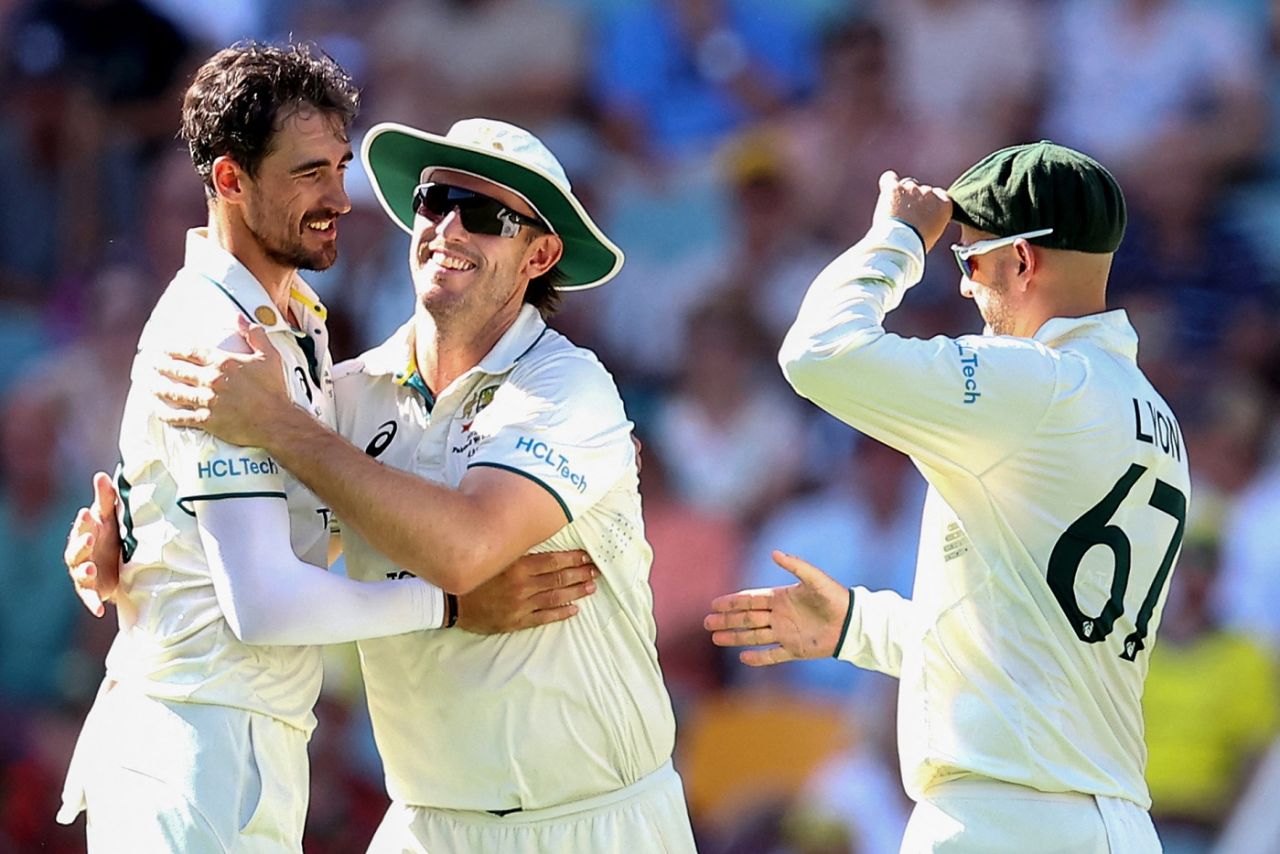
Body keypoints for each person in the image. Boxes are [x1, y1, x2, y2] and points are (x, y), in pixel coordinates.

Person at [57, 43, 596, 853]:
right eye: (309, 172)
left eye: (340, 166)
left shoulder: (297, 316)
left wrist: (135, 534)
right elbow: (265, 604)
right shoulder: (217, 337)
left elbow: (312, 497)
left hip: (238, 745)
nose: (340, 198)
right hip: (190, 750)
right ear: (231, 181)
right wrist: (449, 605)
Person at [136, 117, 696, 852]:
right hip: (426, 825)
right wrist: (129, 554)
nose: (449, 228)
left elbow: (467, 549)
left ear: (542, 254)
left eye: (487, 216)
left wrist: (282, 428)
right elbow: (255, 556)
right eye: (436, 201)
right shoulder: (341, 396)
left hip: (597, 820)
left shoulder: (571, 385)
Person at [704, 141, 1191, 852]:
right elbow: (1029, 640)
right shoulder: (1155, 417)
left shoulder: (1035, 382)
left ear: (1022, 261)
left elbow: (815, 353)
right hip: (1113, 821)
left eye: (969, 260)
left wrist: (898, 238)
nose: (963, 286)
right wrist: (856, 627)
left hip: (1001, 821)